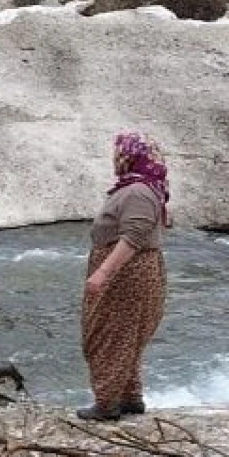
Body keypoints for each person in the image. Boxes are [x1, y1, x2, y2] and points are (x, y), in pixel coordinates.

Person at [77, 132, 170, 421]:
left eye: (119, 152)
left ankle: (107, 403)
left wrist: (103, 273)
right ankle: (130, 397)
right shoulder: (139, 188)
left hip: (126, 275)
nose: (114, 157)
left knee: (109, 334)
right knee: (125, 335)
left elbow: (133, 236)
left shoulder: (138, 191)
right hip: (133, 272)